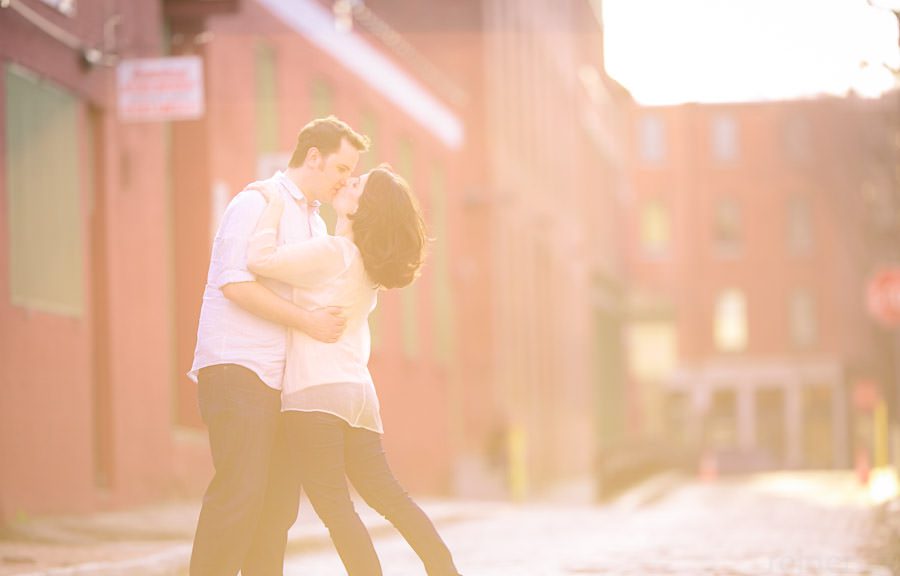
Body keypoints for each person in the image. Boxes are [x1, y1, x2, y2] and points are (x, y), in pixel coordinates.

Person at [246, 166, 461, 575]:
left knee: (337, 511)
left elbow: (260, 259)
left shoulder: (333, 252)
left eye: (357, 184)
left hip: (315, 394)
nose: (348, 182)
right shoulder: (367, 269)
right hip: (359, 396)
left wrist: (273, 201)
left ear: (366, 208)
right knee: (391, 498)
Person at [188, 116, 369, 576]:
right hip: (238, 368)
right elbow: (235, 285)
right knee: (240, 494)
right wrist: (307, 321)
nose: (346, 180)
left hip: (282, 384)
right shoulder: (256, 201)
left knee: (278, 507)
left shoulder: (314, 223)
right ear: (313, 157)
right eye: (341, 169)